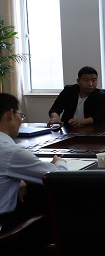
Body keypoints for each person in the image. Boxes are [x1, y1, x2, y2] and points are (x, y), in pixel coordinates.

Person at [0, 93, 67, 231]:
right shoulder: (10, 151)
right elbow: (58, 179)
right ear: (10, 114)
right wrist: (59, 162)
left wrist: (17, 180)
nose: (21, 120)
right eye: (20, 115)